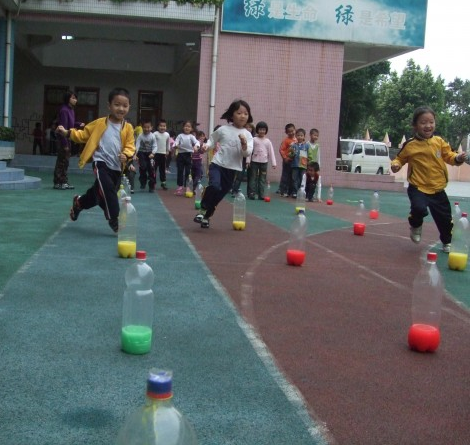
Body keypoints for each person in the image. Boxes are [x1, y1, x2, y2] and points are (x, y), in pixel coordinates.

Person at [56, 87, 135, 233]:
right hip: (101, 163)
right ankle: (114, 219)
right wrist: (67, 133)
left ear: (129, 107)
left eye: (125, 105)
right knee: (108, 190)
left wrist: (126, 154)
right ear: (109, 106)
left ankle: (79, 203)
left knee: (98, 195)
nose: (121, 108)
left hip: (117, 168)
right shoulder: (99, 123)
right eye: (117, 104)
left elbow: (131, 146)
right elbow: (83, 134)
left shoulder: (128, 128)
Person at [391, 106, 468, 252]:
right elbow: (400, 159)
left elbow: (449, 156)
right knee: (419, 209)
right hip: (417, 187)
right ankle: (415, 225)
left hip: (437, 188)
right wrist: (395, 165)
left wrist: (457, 158)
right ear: (415, 126)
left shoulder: (439, 142)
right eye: (423, 122)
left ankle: (446, 242)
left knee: (445, 219)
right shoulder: (410, 145)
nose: (428, 126)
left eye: (431, 122)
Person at [194, 99, 254, 228]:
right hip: (218, 164)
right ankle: (203, 209)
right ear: (232, 114)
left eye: (245, 113)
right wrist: (205, 147)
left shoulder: (248, 135)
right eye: (239, 113)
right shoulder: (223, 129)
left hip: (232, 169)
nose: (243, 116)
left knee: (220, 194)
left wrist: (243, 144)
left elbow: (247, 153)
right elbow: (212, 140)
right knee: (215, 186)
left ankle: (207, 216)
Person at [53, 91, 84, 190]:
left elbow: (71, 124)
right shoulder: (64, 110)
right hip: (63, 139)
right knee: (62, 160)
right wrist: (65, 144)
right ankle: (58, 182)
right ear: (68, 99)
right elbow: (63, 127)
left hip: (68, 138)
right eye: (73, 98)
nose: (75, 100)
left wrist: (78, 124)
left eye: (76, 98)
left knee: (65, 161)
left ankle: (64, 181)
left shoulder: (71, 110)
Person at [247, 121, 277, 200]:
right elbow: (250, 151)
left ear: (266, 131)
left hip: (264, 162)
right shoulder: (254, 139)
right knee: (253, 178)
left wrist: (274, 163)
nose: (262, 131)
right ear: (257, 130)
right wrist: (248, 161)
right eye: (260, 129)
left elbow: (271, 152)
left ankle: (261, 194)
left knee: (262, 178)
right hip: (254, 162)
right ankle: (252, 193)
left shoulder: (268, 141)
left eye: (263, 130)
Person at [174, 121, 200, 196]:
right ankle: (180, 186)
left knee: (188, 172)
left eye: (189, 126)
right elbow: (176, 142)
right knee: (180, 171)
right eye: (185, 126)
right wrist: (176, 145)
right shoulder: (180, 135)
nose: (187, 128)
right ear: (183, 127)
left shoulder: (191, 136)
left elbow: (197, 142)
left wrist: (196, 147)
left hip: (188, 155)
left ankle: (188, 187)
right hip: (180, 155)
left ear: (191, 128)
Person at [135, 119, 158, 192]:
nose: (146, 129)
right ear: (142, 127)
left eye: (148, 127)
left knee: (151, 169)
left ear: (151, 127)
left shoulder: (153, 136)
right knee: (143, 167)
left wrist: (153, 153)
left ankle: (151, 186)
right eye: (145, 127)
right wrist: (135, 154)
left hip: (150, 154)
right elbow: (137, 145)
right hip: (141, 153)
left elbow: (155, 146)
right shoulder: (140, 136)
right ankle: (143, 182)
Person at [232, 122, 255, 195]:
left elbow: (250, 151)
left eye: (250, 127)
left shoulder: (253, 138)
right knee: (238, 175)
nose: (248, 129)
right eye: (246, 127)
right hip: (242, 158)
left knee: (248, 176)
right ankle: (234, 190)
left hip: (252, 159)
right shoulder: (241, 136)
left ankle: (250, 192)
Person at [289, 128, 310, 198]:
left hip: (303, 165)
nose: (300, 137)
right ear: (296, 136)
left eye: (301, 135)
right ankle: (294, 192)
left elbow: (309, 155)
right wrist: (292, 153)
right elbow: (290, 154)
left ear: (304, 136)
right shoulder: (293, 145)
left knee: (302, 178)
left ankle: (302, 191)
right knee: (294, 178)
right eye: (298, 135)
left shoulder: (306, 145)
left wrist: (309, 162)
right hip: (295, 164)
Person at [278, 123, 296, 197]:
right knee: (285, 176)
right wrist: (285, 158)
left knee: (293, 176)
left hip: (295, 161)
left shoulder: (297, 140)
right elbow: (281, 149)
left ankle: (291, 191)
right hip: (287, 161)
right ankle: (283, 190)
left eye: (292, 131)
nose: (291, 133)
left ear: (295, 130)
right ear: (286, 132)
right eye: (289, 131)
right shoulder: (286, 140)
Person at [153, 119, 170, 190]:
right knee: (154, 169)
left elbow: (168, 143)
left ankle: (163, 183)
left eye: (164, 126)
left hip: (163, 154)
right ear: (157, 127)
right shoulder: (155, 134)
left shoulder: (167, 135)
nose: (162, 127)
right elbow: (152, 143)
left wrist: (167, 150)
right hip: (155, 154)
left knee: (162, 170)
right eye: (161, 126)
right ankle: (152, 182)